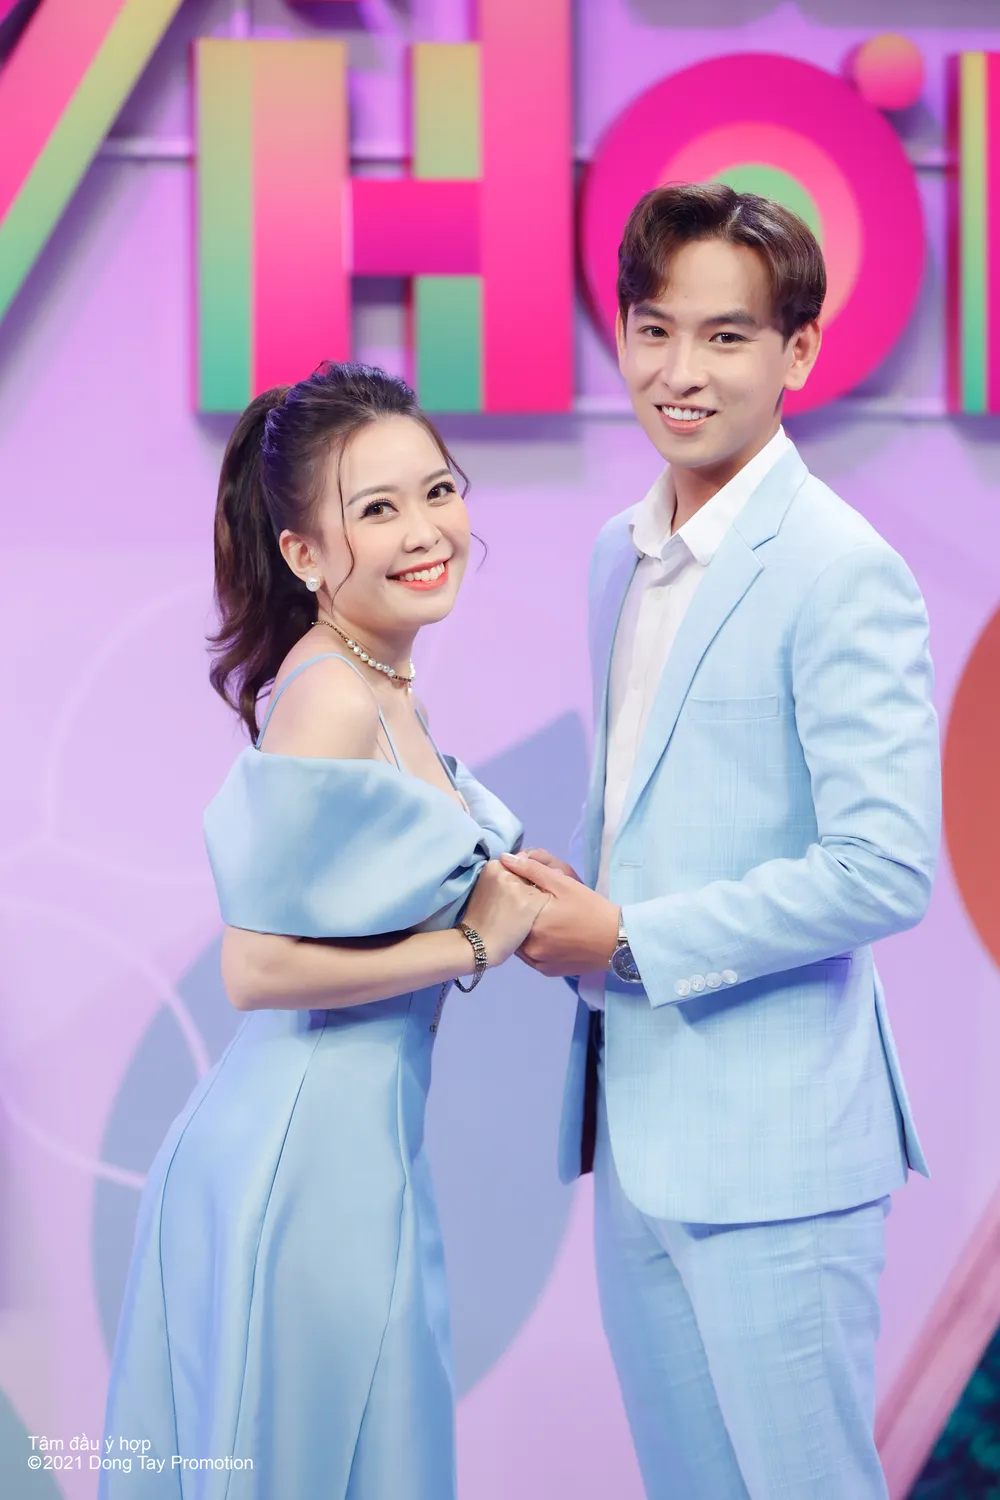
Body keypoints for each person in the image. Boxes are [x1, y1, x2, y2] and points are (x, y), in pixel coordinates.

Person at [502, 184, 941, 1499]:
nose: (678, 372)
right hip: (635, 1133)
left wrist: (628, 936)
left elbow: (883, 866)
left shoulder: (839, 566)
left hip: (779, 1152)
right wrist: (574, 891)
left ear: (797, 353)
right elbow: (657, 804)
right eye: (654, 330)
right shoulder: (617, 555)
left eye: (725, 337)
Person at [100, 362, 546, 1499]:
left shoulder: (383, 678)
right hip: (299, 1161)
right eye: (377, 509)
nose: (426, 531)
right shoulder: (332, 697)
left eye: (436, 491)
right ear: (304, 554)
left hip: (358, 1145)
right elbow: (254, 966)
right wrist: (476, 942)